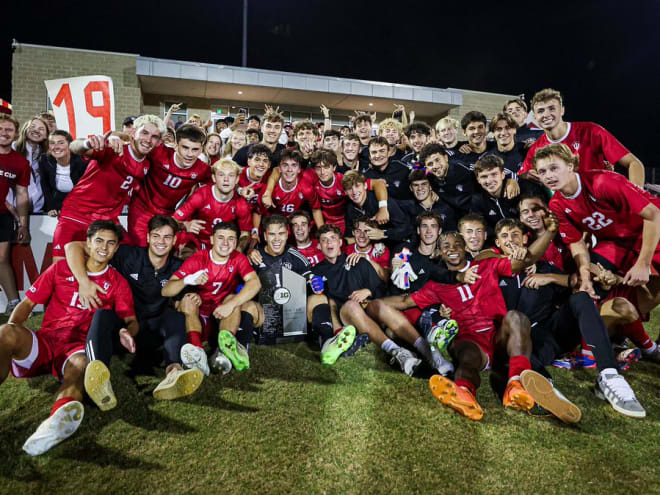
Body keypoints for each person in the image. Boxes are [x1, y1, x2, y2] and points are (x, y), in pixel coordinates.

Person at [381, 218, 558, 421]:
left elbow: (525, 261)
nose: (453, 249)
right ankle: (464, 393)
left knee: (516, 317)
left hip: (498, 335)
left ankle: (515, 384)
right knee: (466, 356)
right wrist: (368, 303)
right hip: (470, 341)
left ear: (466, 248)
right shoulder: (436, 285)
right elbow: (404, 302)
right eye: (446, 246)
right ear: (439, 253)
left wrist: (550, 231)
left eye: (458, 245)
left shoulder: (487, 265)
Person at [0, 221, 136, 455]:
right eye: (99, 241)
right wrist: (13, 333)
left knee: (83, 366)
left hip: (75, 348)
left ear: (116, 249)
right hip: (44, 342)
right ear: (88, 243)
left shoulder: (118, 284)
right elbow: (27, 304)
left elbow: (131, 320)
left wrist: (127, 332)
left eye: (111, 243)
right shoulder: (61, 269)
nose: (104, 247)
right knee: (5, 331)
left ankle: (56, 423)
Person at [492, 217, 646, 419]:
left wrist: (549, 278)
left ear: (525, 239)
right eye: (505, 236)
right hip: (518, 338)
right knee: (518, 342)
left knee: (580, 297)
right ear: (497, 243)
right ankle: (545, 389)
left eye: (515, 235)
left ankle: (609, 375)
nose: (511, 240)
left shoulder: (544, 267)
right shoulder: (492, 268)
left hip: (551, 334)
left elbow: (576, 282)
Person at [64, 215, 203, 400]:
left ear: (175, 240)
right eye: (156, 236)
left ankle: (174, 373)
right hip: (122, 329)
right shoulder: (129, 255)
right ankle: (98, 378)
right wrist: (83, 281)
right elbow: (72, 246)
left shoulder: (179, 267)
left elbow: (181, 300)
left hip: (153, 333)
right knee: (102, 315)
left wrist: (192, 297)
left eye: (167, 237)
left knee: (176, 317)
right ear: (147, 237)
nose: (161, 242)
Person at [533, 143, 660, 294]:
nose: (548, 175)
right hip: (617, 243)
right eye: (542, 171)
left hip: (649, 230)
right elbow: (576, 243)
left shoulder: (602, 182)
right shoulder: (556, 205)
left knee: (651, 290)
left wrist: (643, 263)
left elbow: (654, 215)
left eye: (554, 168)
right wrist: (586, 278)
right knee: (585, 280)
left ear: (570, 166)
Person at [311, 225, 423, 376]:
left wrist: (368, 291)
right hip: (347, 318)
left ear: (340, 242)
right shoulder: (316, 272)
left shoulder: (357, 261)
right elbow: (320, 305)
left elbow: (382, 290)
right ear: (319, 246)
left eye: (332, 238)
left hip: (369, 311)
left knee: (379, 304)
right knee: (351, 305)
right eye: (324, 240)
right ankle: (396, 351)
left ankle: (426, 349)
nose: (329, 243)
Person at [51, 115, 164, 261]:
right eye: (144, 133)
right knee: (60, 270)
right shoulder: (113, 149)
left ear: (158, 142)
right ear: (133, 132)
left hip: (107, 221)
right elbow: (75, 147)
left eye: (154, 137)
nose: (148, 140)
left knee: (133, 260)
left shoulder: (147, 165)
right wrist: (88, 143)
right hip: (77, 215)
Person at [246, 215, 356, 363]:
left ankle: (327, 344)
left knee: (320, 298)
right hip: (266, 319)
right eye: (272, 234)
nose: (277, 239)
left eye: (281, 233)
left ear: (287, 234)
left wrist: (315, 284)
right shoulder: (255, 257)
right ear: (265, 236)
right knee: (246, 305)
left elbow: (310, 280)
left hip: (293, 318)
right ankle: (241, 348)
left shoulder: (296, 257)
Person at [162, 222, 261, 374]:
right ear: (212, 239)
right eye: (221, 238)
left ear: (236, 242)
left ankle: (223, 352)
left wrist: (230, 304)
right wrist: (188, 280)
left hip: (222, 317)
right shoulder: (198, 259)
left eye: (231, 239)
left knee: (233, 300)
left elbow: (255, 283)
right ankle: (199, 353)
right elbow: (166, 290)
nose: (226, 243)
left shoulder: (238, 258)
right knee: (188, 299)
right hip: (197, 317)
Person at [520, 88, 645, 185]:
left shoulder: (591, 131)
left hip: (601, 203)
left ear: (562, 110)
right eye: (541, 111)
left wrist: (636, 196)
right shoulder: (537, 148)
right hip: (567, 209)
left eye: (552, 108)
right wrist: (527, 175)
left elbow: (634, 163)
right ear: (535, 117)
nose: (546, 114)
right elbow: (523, 174)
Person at [174, 158, 252, 252]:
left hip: (223, 246)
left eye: (231, 175)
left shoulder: (240, 204)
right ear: (214, 178)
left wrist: (238, 251)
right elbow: (173, 221)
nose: (226, 179)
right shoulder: (201, 196)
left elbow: (245, 234)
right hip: (196, 242)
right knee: (186, 252)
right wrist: (185, 225)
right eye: (221, 175)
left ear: (237, 179)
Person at [470, 154, 547, 238]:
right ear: (478, 179)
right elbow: (481, 227)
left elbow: (542, 214)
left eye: (494, 174)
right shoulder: (478, 200)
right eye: (484, 177)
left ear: (503, 175)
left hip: (535, 236)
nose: (489, 180)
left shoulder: (525, 188)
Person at [0, 114, 31, 315]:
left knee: (1, 259)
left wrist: (23, 224)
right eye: (1, 129)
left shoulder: (19, 163)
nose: (4, 133)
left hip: (2, 216)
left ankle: (14, 304)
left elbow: (21, 194)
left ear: (15, 134)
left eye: (9, 130)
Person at [343, 171, 413, 245]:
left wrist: (384, 233)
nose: (354, 192)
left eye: (357, 186)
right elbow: (349, 236)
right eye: (349, 188)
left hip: (400, 242)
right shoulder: (350, 208)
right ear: (345, 192)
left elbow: (407, 228)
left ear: (365, 186)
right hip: (374, 245)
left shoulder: (381, 202)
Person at [38, 130, 88, 216]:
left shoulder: (82, 161)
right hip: (57, 201)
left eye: (61, 143)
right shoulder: (44, 160)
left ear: (70, 145)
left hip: (81, 203)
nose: (56, 147)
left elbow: (87, 189)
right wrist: (51, 207)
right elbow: (45, 185)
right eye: (52, 143)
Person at [10, 116, 49, 213]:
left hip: (38, 207)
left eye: (41, 129)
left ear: (46, 135)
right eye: (32, 127)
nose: (36, 131)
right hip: (12, 207)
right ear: (25, 130)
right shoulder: (13, 148)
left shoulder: (47, 155)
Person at [344, 216, 391, 282]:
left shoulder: (381, 250)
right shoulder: (346, 250)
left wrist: (367, 258)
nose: (362, 235)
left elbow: (385, 278)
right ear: (353, 232)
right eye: (358, 231)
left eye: (366, 231)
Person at [364, 136, 411, 201]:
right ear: (369, 156)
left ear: (389, 153)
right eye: (374, 152)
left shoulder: (404, 168)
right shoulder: (365, 177)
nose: (377, 155)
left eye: (382, 151)